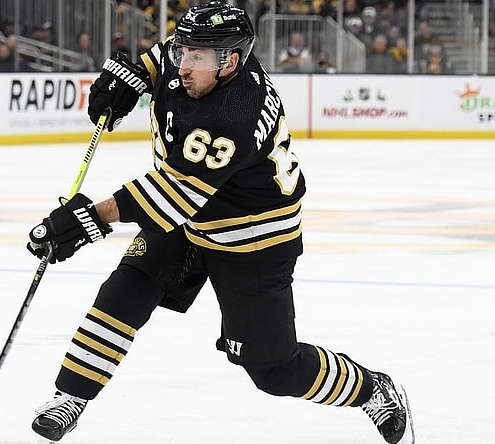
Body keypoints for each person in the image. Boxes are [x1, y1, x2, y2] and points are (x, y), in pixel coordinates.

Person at [25, 2, 414, 443]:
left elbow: (171, 196)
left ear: (230, 62)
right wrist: (132, 76)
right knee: (124, 292)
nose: (182, 66)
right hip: (191, 216)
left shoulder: (235, 113)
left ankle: (372, 389)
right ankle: (70, 397)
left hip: (252, 239)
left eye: (196, 57)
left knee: (274, 369)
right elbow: (163, 57)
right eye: (183, 52)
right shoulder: (200, 59)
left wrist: (87, 219)